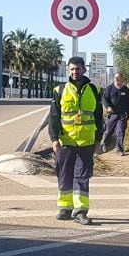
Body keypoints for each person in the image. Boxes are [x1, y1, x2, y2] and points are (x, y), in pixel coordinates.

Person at [48, 56, 103, 225]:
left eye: (77, 68)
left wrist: (98, 141)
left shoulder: (95, 90)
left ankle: (80, 211)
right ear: (68, 70)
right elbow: (54, 117)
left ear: (84, 69)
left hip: (86, 141)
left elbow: (98, 117)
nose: (74, 72)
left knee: (82, 176)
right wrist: (54, 138)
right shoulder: (59, 90)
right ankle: (65, 208)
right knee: (64, 175)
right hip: (67, 141)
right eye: (71, 69)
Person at [101, 71, 129, 155]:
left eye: (118, 78)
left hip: (122, 114)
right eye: (115, 77)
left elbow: (128, 102)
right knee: (108, 131)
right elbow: (104, 99)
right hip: (111, 115)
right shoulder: (109, 88)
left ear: (122, 79)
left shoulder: (126, 90)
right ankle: (105, 143)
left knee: (120, 131)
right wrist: (108, 107)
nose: (116, 79)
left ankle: (119, 149)